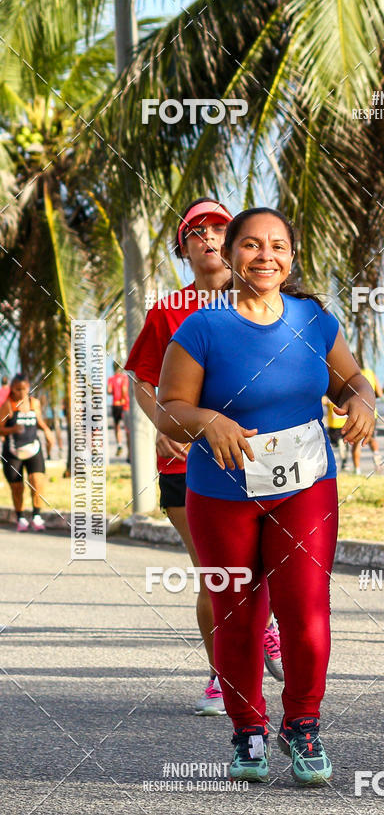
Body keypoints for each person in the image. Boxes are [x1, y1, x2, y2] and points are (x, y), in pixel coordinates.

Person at [157, 207, 375, 784]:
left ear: (292, 256)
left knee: (306, 613)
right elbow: (168, 410)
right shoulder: (202, 328)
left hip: (306, 485)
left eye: (277, 245)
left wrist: (363, 402)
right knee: (238, 614)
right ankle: (247, 730)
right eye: (251, 245)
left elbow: (352, 379)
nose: (265, 256)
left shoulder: (313, 320)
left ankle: (303, 723)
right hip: (221, 492)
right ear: (230, 255)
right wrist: (206, 420)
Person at [125, 198, 283, 718]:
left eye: (219, 228)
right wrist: (162, 425)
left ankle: (266, 629)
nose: (209, 239)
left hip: (259, 457)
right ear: (184, 248)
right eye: (197, 232)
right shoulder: (169, 309)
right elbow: (142, 378)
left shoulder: (267, 300)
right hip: (185, 464)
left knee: (256, 570)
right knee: (216, 574)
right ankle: (223, 675)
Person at [0, 373, 54, 531]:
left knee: (37, 481)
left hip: (33, 449)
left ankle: (37, 516)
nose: (22, 392)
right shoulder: (8, 405)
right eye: (18, 389)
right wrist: (12, 429)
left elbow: (39, 421)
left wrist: (47, 431)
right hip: (13, 451)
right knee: (17, 487)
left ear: (29, 388)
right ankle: (21, 518)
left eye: (24, 389)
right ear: (12, 389)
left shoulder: (33, 403)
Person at [351, 359, 383, 475]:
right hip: (371, 413)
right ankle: (377, 462)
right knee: (372, 439)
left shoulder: (351, 374)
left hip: (355, 412)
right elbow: (380, 393)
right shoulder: (371, 373)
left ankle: (357, 470)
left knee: (356, 442)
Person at [107, 364, 130, 459]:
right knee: (128, 429)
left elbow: (109, 391)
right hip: (124, 404)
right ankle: (129, 452)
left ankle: (119, 444)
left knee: (117, 426)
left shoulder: (111, 379)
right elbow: (124, 389)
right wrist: (124, 398)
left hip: (116, 404)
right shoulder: (125, 378)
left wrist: (114, 392)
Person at [323, 396, 348, 469]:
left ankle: (344, 463)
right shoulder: (330, 397)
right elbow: (323, 401)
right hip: (333, 426)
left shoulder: (345, 396)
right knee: (334, 445)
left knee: (343, 445)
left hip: (344, 425)